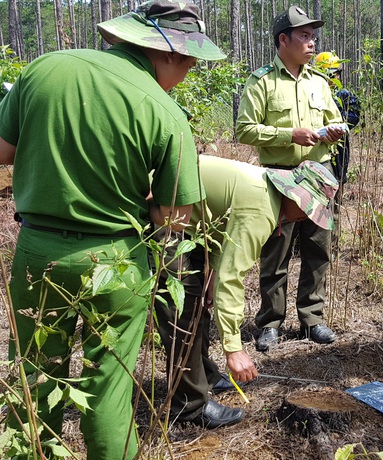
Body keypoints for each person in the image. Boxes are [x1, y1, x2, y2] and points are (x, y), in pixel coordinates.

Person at [0, 1, 224, 458]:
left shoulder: (44, 68)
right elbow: (173, 221)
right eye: (190, 64)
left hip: (35, 253)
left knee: (34, 370)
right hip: (117, 262)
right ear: (170, 54)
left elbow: (2, 152)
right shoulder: (167, 114)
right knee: (109, 388)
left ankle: (27, 451)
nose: (187, 74)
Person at [154, 156, 338, 428]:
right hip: (164, 216)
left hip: (188, 222)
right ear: (293, 195)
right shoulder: (261, 209)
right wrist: (233, 349)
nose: (305, 218)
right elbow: (232, 279)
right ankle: (190, 406)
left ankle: (204, 374)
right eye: (308, 209)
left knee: (197, 300)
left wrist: (211, 271)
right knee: (183, 309)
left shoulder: (265, 190)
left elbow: (219, 226)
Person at [236, 5, 345, 352]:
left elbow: (336, 120)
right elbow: (244, 130)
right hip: (279, 177)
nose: (311, 43)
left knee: (318, 247)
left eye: (313, 36)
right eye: (304, 35)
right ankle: (270, 322)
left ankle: (312, 319)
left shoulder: (319, 82)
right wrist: (289, 135)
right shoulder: (262, 82)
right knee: (275, 251)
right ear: (283, 40)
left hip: (319, 173)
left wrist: (334, 132)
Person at [313, 51, 361, 186]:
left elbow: (354, 116)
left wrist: (336, 125)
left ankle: (337, 205)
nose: (334, 78)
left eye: (336, 74)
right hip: (318, 146)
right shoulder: (313, 93)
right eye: (330, 75)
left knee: (339, 177)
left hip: (339, 144)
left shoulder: (343, 94)